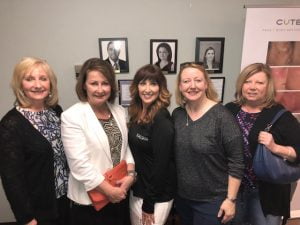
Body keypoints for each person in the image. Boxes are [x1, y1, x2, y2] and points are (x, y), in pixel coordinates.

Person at [61, 58, 135, 225]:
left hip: (120, 192)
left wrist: (130, 176)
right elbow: (79, 165)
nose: (100, 89)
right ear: (84, 86)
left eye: (105, 83)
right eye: (94, 83)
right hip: (90, 202)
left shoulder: (119, 111)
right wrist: (109, 191)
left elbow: (126, 148)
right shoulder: (72, 116)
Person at [225, 63, 300, 225]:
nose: (252, 87)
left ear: (268, 87)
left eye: (259, 83)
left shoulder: (281, 116)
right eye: (248, 81)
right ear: (241, 84)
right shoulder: (230, 110)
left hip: (266, 193)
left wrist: (275, 147)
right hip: (233, 188)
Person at [172, 62, 244, 225]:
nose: (192, 86)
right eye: (186, 81)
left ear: (206, 84)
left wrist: (231, 200)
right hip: (184, 198)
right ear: (180, 86)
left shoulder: (222, 117)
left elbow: (237, 162)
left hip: (213, 201)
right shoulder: (178, 115)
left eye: (197, 80)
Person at [0, 57, 69, 225]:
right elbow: (12, 179)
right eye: (29, 79)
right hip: (40, 211)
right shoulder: (11, 124)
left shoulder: (55, 111)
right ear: (20, 84)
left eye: (43, 79)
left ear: (50, 84)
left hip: (66, 200)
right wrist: (27, 218)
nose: (38, 85)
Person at [128, 64, 176, 225]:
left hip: (155, 196)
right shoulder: (136, 112)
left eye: (153, 84)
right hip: (138, 189)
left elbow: (161, 166)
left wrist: (149, 204)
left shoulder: (162, 119)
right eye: (143, 83)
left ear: (161, 88)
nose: (147, 89)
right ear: (136, 86)